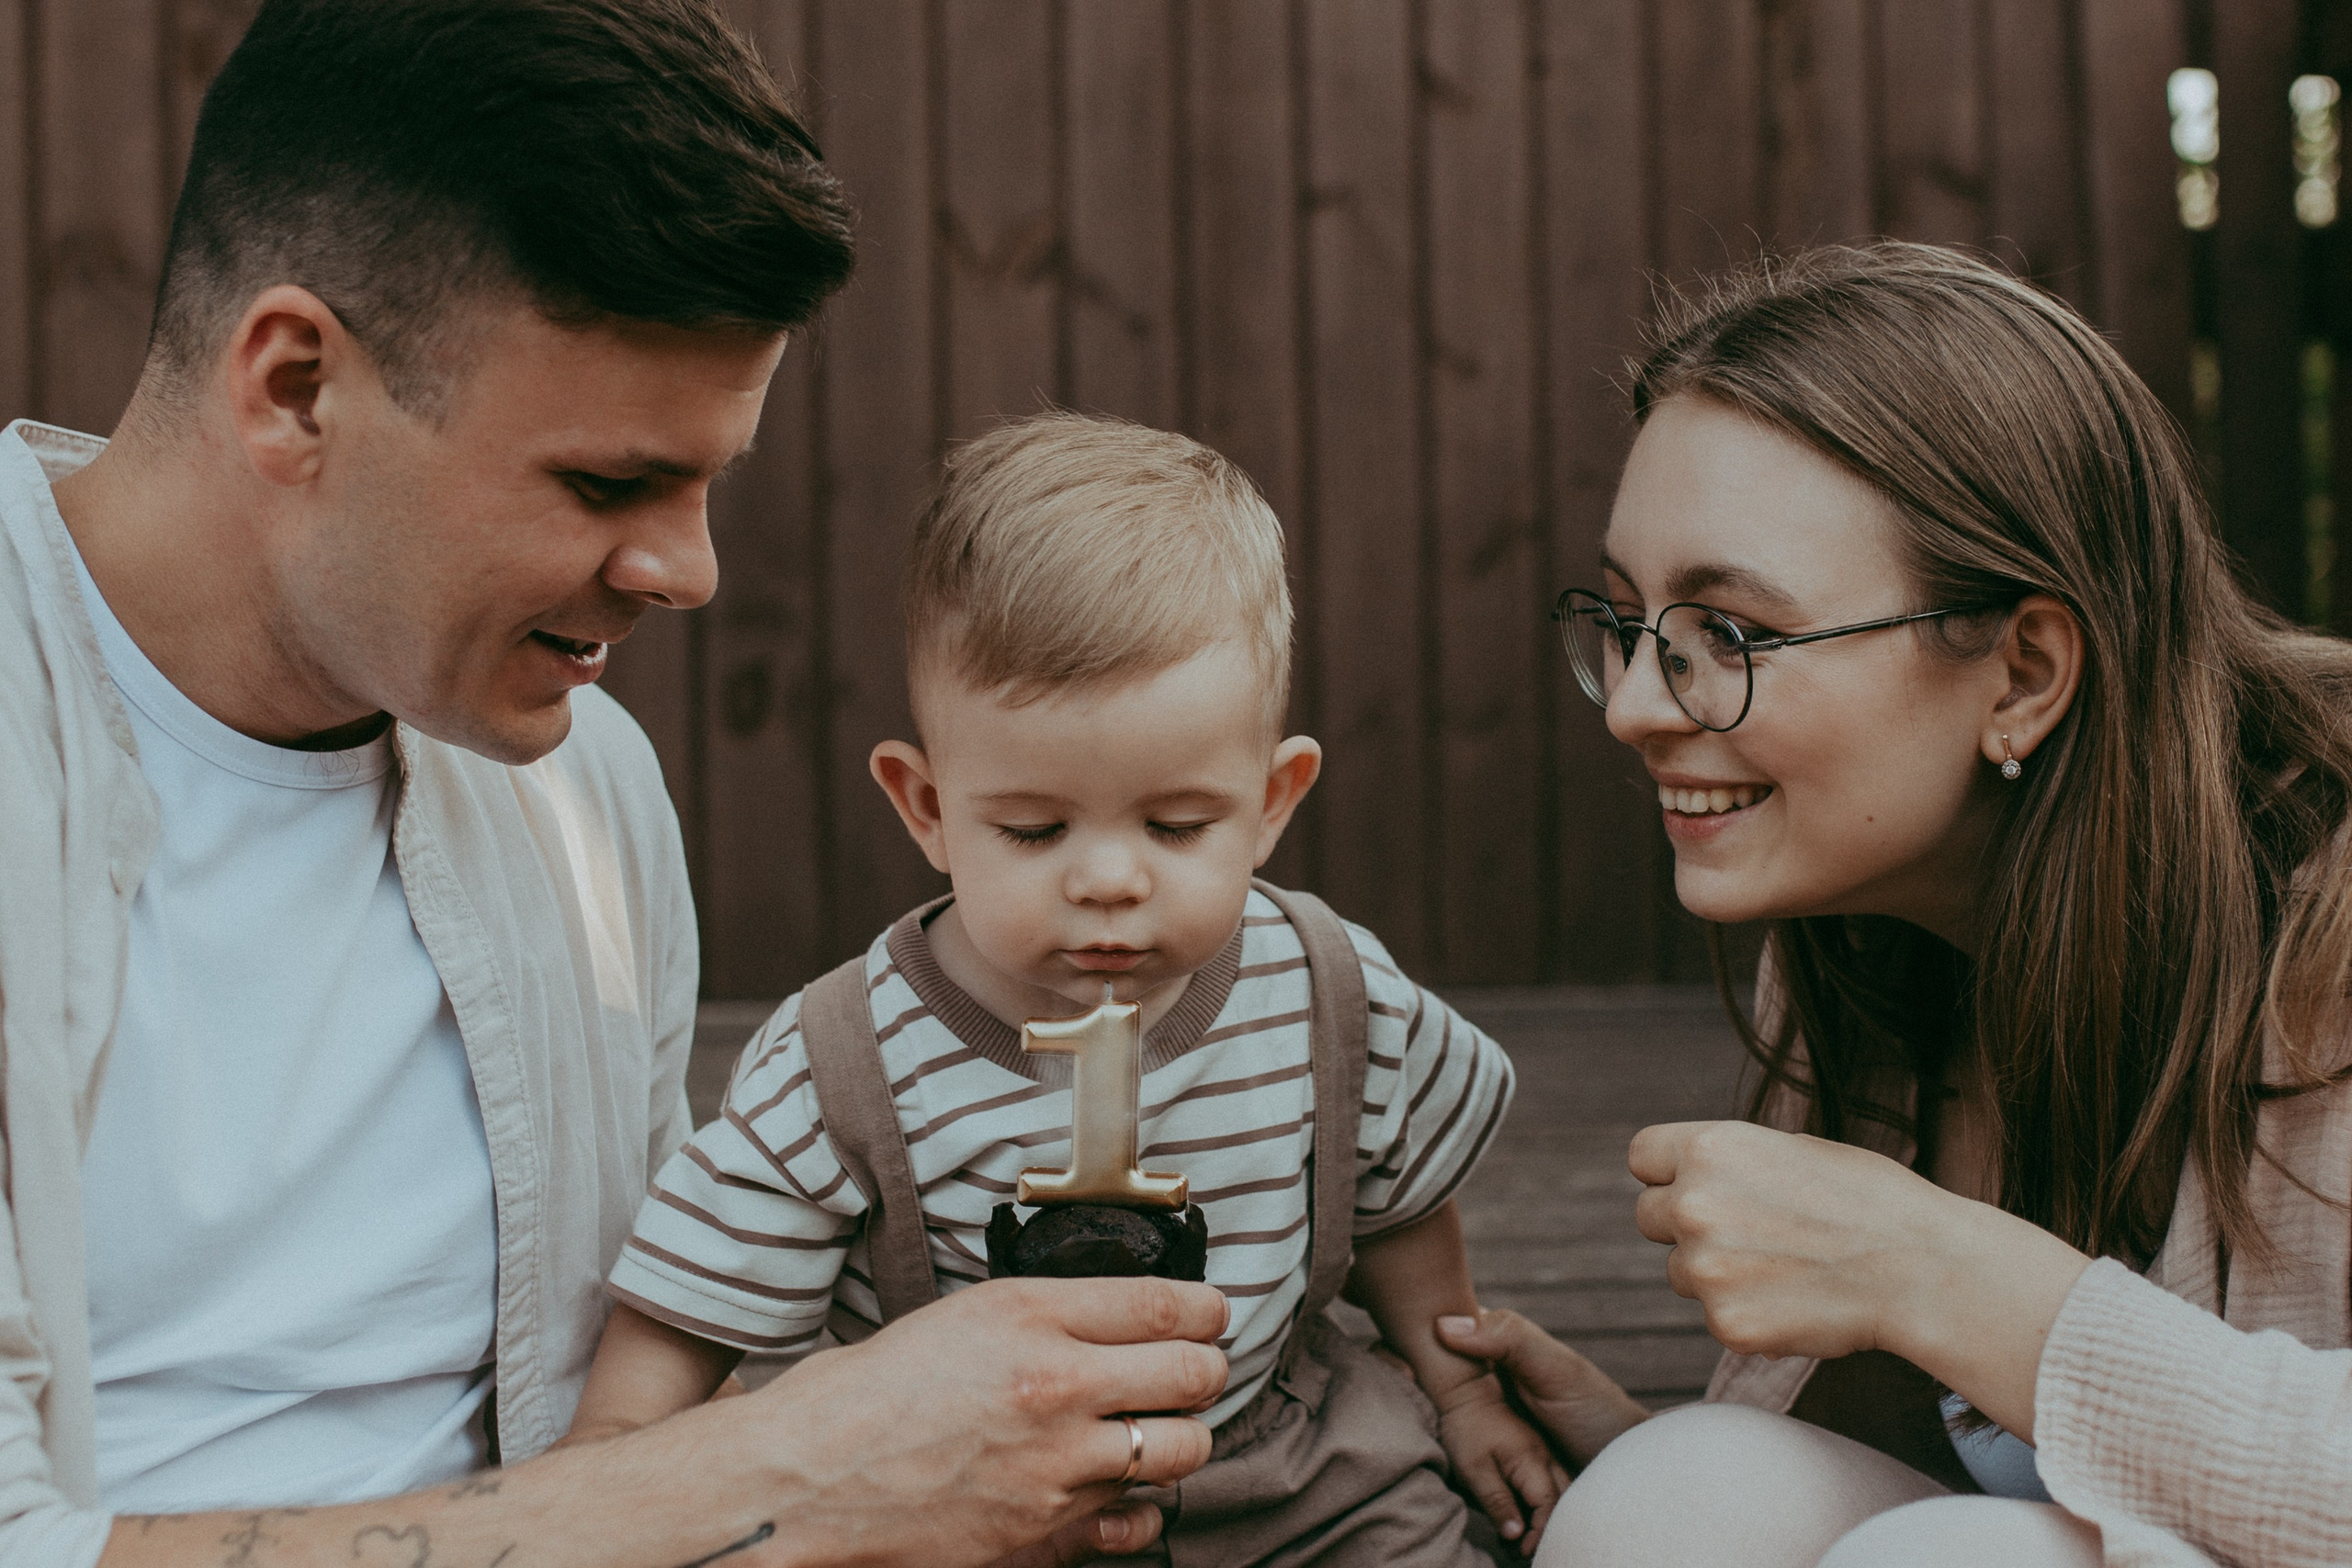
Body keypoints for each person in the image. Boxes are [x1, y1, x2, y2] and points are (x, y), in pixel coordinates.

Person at [3, 3, 1228, 1564]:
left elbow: (640, 1406)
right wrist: (790, 1475)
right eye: (608, 481)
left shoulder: (589, 787)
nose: (690, 570)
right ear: (297, 386)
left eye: (708, 481)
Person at [1430, 242, 2352, 1566]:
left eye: (1731, 635)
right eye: (1630, 622)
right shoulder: (1863, 929)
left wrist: (1942, 1272)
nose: (1634, 704)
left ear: (2022, 673)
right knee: (1667, 1493)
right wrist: (1644, 1443)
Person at [566, 412, 1561, 1564]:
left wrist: (1463, 1392)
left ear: (1271, 802)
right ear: (927, 807)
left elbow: (1398, 1206)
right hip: (972, 1505)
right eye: (1034, 831)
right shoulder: (844, 1062)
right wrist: (609, 1462)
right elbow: (692, 1304)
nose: (1107, 881)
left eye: (1177, 826)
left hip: (1292, 1464)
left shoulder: (1327, 990)